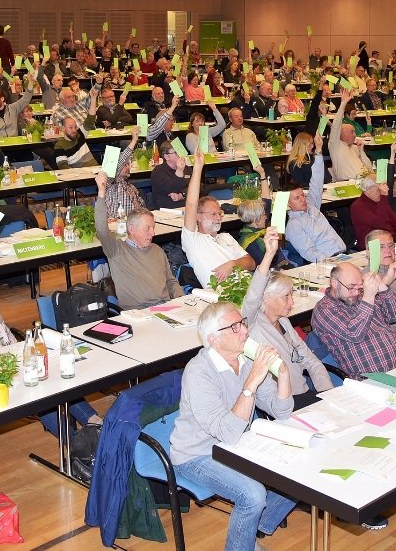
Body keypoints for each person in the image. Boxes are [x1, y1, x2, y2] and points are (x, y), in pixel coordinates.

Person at [169, 302, 297, 551]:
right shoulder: (199, 372)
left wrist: (282, 373)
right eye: (234, 327)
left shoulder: (246, 359)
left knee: (299, 473)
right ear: (214, 339)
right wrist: (251, 382)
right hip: (197, 455)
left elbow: (281, 411)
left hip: (237, 446)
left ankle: (251, 533)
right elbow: (227, 432)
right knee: (252, 495)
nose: (245, 331)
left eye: (243, 323)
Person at [241, 229, 333, 409]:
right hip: (284, 403)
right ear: (265, 297)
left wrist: (328, 394)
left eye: (292, 295)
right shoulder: (251, 323)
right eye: (286, 296)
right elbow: (253, 295)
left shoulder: (283, 322)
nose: (292, 302)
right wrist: (269, 255)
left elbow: (312, 362)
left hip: (304, 394)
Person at [93, 168, 183, 309]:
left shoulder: (157, 250)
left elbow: (171, 282)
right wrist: (101, 193)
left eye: (153, 228)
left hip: (166, 308)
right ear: (132, 230)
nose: (152, 233)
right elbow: (101, 228)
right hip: (138, 312)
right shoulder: (117, 251)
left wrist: (181, 301)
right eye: (147, 228)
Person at [182, 142, 255, 283]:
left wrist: (232, 264)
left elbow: (251, 263)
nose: (218, 218)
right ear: (199, 217)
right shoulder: (193, 241)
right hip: (225, 294)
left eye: (219, 213)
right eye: (213, 214)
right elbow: (191, 204)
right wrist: (197, 168)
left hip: (250, 286)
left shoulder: (226, 237)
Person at [284, 134, 346, 264]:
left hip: (342, 253)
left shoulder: (312, 205)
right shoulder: (294, 225)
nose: (302, 199)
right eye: (297, 198)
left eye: (302, 195)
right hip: (328, 261)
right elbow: (309, 253)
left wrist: (318, 151)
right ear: (288, 204)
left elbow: (317, 181)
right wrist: (332, 263)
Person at [349, 173, 396, 249]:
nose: (382, 193)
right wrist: (384, 197)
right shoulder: (357, 206)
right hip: (373, 246)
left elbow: (394, 219)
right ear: (367, 189)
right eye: (379, 190)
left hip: (389, 242)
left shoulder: (379, 201)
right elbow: (380, 222)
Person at [149, 142, 189, 209]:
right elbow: (173, 189)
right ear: (166, 157)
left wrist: (182, 194)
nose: (180, 155)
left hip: (186, 205)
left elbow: (198, 186)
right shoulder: (158, 172)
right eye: (176, 152)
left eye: (180, 151)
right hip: (167, 209)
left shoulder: (187, 168)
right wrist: (179, 170)